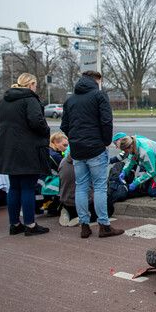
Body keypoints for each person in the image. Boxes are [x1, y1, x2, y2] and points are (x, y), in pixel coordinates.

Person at [60, 70, 123, 239]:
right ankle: (104, 225)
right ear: (96, 80)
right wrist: (105, 141)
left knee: (81, 186)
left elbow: (64, 125)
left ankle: (84, 225)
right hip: (96, 147)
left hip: (77, 150)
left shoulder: (70, 100)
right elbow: (106, 120)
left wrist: (74, 139)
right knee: (100, 186)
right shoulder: (99, 95)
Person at [0, 73, 51, 236]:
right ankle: (30, 225)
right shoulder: (30, 99)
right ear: (31, 84)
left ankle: (14, 224)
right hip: (27, 149)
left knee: (14, 187)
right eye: (35, 84)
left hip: (7, 149)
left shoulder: (4, 100)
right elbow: (36, 121)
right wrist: (46, 131)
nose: (36, 87)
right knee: (28, 187)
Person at [39, 132, 68, 216]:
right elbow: (64, 168)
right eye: (64, 145)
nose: (66, 148)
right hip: (48, 182)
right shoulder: (55, 155)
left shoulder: (47, 150)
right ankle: (55, 207)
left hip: (40, 180)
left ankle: (48, 205)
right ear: (55, 143)